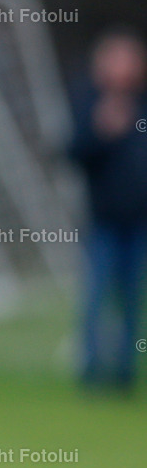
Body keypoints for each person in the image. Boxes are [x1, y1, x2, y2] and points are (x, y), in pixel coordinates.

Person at [69, 29, 147, 390]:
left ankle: (124, 372)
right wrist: (101, 131)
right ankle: (91, 369)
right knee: (96, 297)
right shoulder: (89, 101)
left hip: (140, 219)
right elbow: (73, 152)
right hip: (104, 220)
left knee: (132, 298)